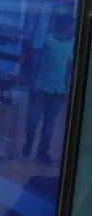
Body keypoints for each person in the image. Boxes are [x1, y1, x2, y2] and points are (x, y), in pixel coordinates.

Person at [23, 15, 74, 164]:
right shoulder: (47, 39)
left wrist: (67, 89)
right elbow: (34, 63)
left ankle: (42, 151)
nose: (73, 29)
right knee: (33, 120)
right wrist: (32, 84)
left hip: (59, 91)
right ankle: (29, 143)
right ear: (65, 26)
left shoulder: (71, 45)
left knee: (49, 125)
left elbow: (70, 69)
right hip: (40, 88)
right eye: (72, 25)